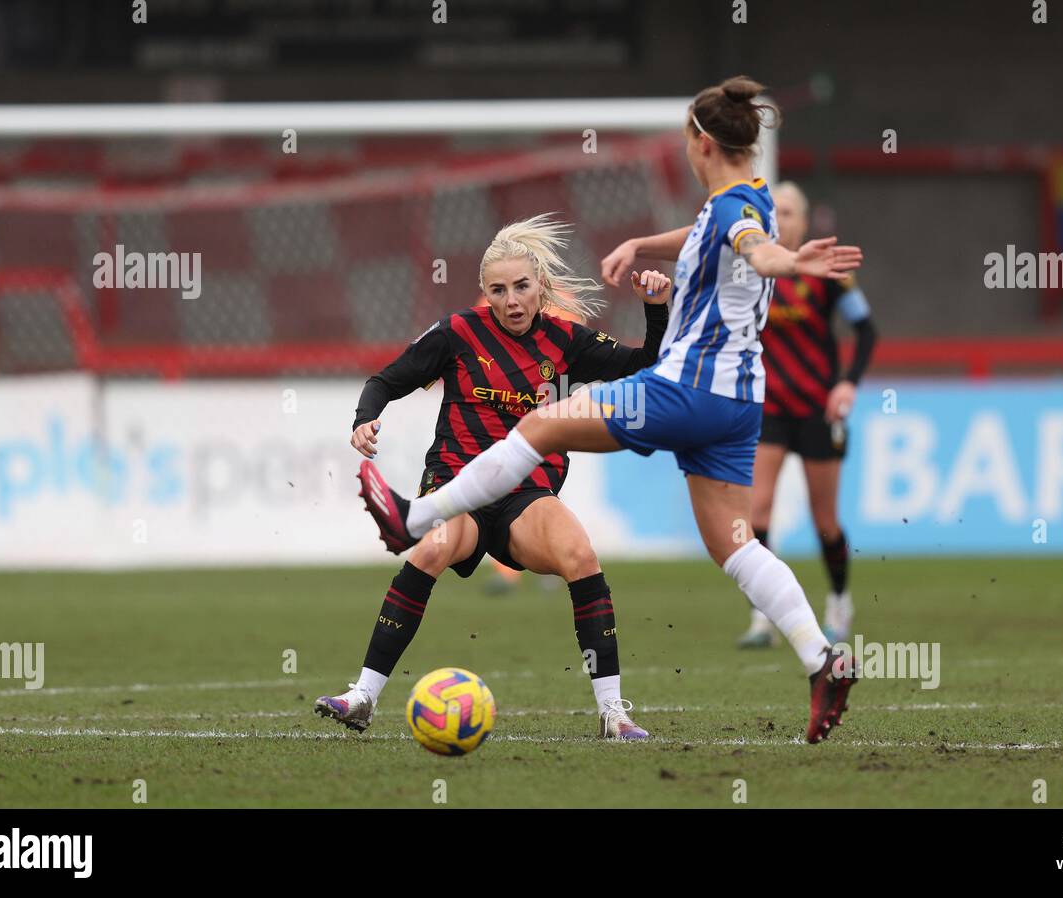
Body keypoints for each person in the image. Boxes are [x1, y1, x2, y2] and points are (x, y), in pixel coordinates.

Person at [356, 76, 864, 744]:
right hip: (742, 401)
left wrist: (786, 262)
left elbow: (750, 247)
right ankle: (820, 658)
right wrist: (645, 246)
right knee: (735, 546)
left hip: (687, 386)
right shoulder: (755, 195)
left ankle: (412, 517)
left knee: (539, 423)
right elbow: (721, 228)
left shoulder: (740, 215)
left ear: (700, 142)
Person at [315, 214, 671, 740]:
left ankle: (613, 712)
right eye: (498, 289)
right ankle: (363, 695)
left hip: (524, 494)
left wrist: (655, 308)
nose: (511, 300)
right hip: (456, 484)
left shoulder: (566, 342)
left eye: (522, 287)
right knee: (431, 549)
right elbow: (386, 380)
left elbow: (646, 364)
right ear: (484, 293)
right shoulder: (457, 333)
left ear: (541, 288)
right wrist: (364, 417)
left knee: (581, 556)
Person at [737, 182, 878, 649]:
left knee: (825, 522)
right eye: (775, 210)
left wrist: (847, 383)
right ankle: (762, 616)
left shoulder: (829, 270)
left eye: (791, 210)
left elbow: (866, 330)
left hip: (818, 409)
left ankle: (838, 601)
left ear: (804, 218)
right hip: (770, 409)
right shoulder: (753, 269)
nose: (783, 217)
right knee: (756, 513)